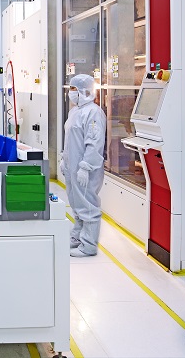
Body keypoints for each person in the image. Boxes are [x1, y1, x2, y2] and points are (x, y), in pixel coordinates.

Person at [60, 73, 106, 257]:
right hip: (72, 166)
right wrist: (64, 159)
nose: (71, 93)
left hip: (85, 168)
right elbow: (70, 139)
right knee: (76, 203)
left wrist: (86, 166)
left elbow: (94, 142)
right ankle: (78, 236)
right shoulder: (75, 111)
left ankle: (89, 246)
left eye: (73, 89)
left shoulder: (93, 112)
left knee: (88, 205)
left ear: (84, 91)